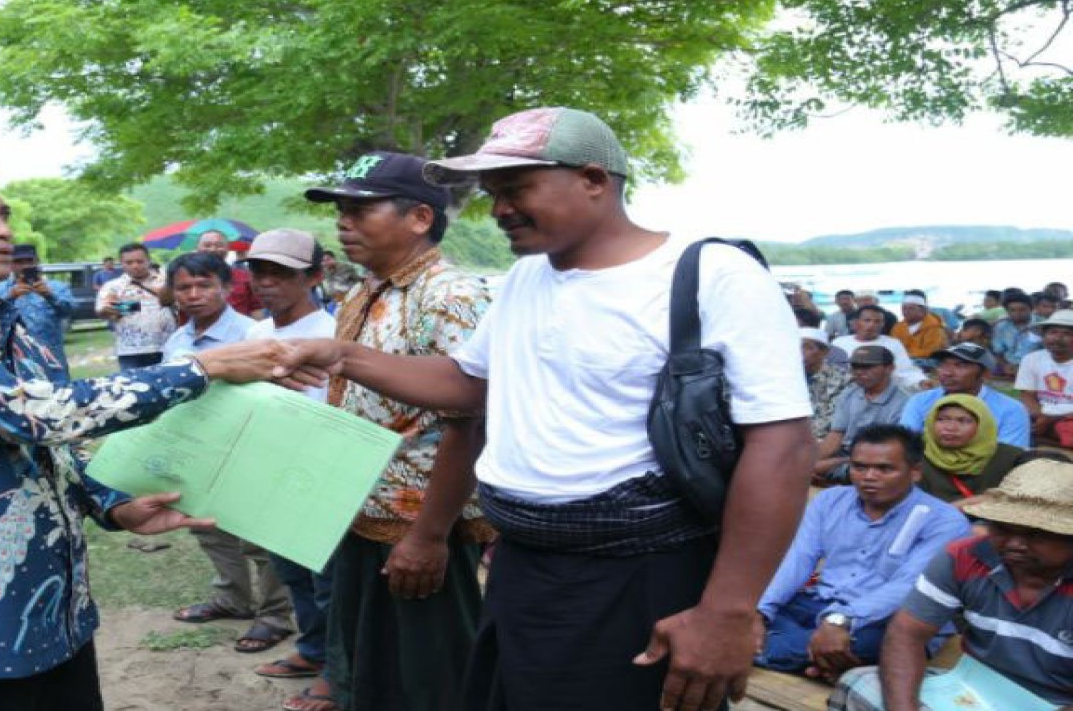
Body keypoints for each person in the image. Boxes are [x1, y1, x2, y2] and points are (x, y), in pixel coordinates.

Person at [295, 107, 815, 711]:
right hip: (523, 566)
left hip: (638, 572)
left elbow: (782, 446)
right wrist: (341, 356)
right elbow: (469, 384)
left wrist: (728, 610)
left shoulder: (712, 274)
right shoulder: (527, 278)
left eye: (516, 189)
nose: (499, 209)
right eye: (492, 194)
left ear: (593, 179)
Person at [0, 152, 317, 711]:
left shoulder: (0, 319)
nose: (3, 231)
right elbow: (22, 413)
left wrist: (110, 504)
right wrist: (202, 368)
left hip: (57, 603)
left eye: (3, 214)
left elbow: (51, 441)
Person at [302, 150, 492, 711]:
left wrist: (429, 536)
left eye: (361, 210)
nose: (344, 223)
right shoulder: (364, 292)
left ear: (420, 218)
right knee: (371, 674)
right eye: (340, 211)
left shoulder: (451, 295)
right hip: (361, 512)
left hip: (422, 528)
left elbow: (471, 420)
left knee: (431, 682)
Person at [828, 458, 1073, 710]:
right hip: (972, 689)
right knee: (859, 682)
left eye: (1035, 534)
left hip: (1056, 703)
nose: (1014, 543)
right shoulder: (964, 556)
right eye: (1003, 529)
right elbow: (906, 635)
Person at [158, 252, 295, 652]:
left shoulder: (252, 336)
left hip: (247, 448)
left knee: (258, 537)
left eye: (204, 285)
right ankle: (233, 598)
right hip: (196, 449)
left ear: (227, 288)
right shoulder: (177, 340)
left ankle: (275, 615)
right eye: (184, 287)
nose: (194, 294)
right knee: (208, 529)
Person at [757, 425, 969, 681]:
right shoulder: (830, 500)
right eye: (859, 467)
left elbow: (908, 587)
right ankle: (816, 660)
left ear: (915, 472)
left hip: (890, 620)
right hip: (818, 603)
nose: (869, 477)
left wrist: (842, 620)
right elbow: (798, 559)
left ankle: (764, 651)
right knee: (750, 613)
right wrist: (760, 612)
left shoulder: (945, 521)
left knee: (880, 642)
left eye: (884, 469)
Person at [239, 230, 340, 711]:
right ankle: (314, 650)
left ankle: (338, 672)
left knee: (327, 580)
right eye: (259, 272)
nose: (266, 282)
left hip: (319, 470)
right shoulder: (255, 335)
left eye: (281, 273)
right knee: (292, 573)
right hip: (271, 467)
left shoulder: (334, 334)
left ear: (315, 276)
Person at [897, 342, 1030, 447]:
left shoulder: (1010, 409)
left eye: (960, 366)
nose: (947, 373)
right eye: (943, 365)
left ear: (985, 374)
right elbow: (906, 445)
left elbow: (1009, 455)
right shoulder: (920, 401)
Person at [814, 346, 910, 484]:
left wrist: (833, 463)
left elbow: (894, 447)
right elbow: (835, 436)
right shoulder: (849, 394)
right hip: (846, 454)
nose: (859, 372)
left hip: (879, 457)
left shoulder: (904, 400)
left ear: (889, 368)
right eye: (855, 367)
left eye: (868, 367)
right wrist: (811, 462)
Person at [0, 244, 75, 381]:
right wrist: (9, 297)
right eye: (18, 262)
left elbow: (69, 311)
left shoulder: (56, 287)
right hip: (13, 358)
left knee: (60, 392)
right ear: (10, 265)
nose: (25, 266)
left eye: (29, 261)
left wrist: (50, 296)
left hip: (51, 356)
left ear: (37, 262)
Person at [917, 394, 1024, 504]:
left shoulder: (1011, 457)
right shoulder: (914, 454)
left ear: (982, 425)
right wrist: (963, 505)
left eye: (963, 421)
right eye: (942, 419)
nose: (950, 428)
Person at [96, 242, 177, 370]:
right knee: (134, 382)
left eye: (140, 261)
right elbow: (102, 310)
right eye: (129, 262)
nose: (135, 266)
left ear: (148, 260)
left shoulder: (166, 281)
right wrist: (110, 310)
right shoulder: (113, 287)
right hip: (130, 351)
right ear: (121, 263)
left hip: (168, 345)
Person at [1014, 308, 1073, 447]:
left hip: (1068, 418)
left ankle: (1041, 439)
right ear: (1044, 336)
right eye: (1053, 332)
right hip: (1039, 414)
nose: (1058, 338)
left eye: (1067, 334)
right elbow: (1027, 395)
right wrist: (1039, 415)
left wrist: (1051, 419)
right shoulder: (1031, 359)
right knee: (1008, 416)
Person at [832, 305, 926, 390]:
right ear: (856, 322)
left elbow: (905, 371)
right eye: (867, 320)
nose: (872, 325)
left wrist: (920, 382)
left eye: (877, 321)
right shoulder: (839, 342)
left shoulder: (892, 343)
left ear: (883, 324)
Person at [195, 228, 265, 319]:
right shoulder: (187, 278)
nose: (213, 249)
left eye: (219, 245)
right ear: (197, 248)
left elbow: (256, 309)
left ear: (227, 249)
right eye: (207, 245)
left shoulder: (245, 276)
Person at [803, 328, 851, 439]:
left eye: (807, 347)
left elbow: (830, 423)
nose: (800, 352)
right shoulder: (784, 377)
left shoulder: (842, 379)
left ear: (824, 352)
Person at [890, 292, 948, 367]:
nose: (906, 311)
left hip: (927, 362)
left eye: (911, 308)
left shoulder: (935, 328)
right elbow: (893, 347)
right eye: (904, 308)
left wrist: (907, 353)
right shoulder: (898, 327)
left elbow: (932, 352)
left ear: (923, 310)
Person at [991, 291, 1041, 377]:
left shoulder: (1042, 325)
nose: (1017, 313)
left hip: (1037, 367)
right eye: (1012, 310)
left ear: (1031, 309)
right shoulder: (1001, 327)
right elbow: (998, 352)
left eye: (1022, 310)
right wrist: (1005, 366)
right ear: (1007, 311)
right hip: (1008, 366)